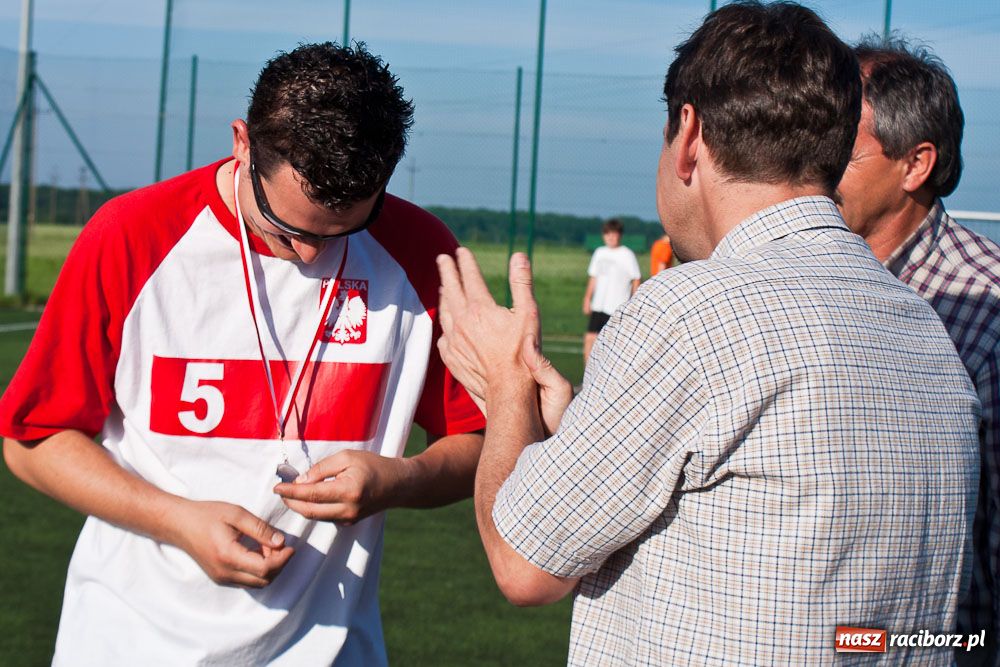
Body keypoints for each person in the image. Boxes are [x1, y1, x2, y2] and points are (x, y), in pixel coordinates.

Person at [435, 3, 980, 664]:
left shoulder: (689, 308)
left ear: (688, 133)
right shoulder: (925, 325)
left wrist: (505, 387)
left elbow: (525, 564)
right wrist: (581, 424)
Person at [0, 42, 485, 666]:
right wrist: (177, 520)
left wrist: (402, 479)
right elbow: (33, 438)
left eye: (346, 230)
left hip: (331, 651)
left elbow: (480, 440)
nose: (311, 255)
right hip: (127, 642)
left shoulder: (421, 253)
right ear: (242, 143)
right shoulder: (133, 236)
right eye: (289, 229)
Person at [836, 36, 1000, 666]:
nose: (812, 163)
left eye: (842, 150)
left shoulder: (984, 306)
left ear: (916, 164)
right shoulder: (804, 282)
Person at [582, 218, 640, 362]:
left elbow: (636, 278)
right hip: (599, 304)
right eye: (608, 234)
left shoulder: (627, 254)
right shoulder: (599, 252)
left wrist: (634, 301)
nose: (611, 237)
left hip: (616, 306)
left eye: (614, 234)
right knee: (590, 338)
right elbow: (593, 277)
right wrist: (587, 298)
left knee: (610, 343)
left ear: (620, 235)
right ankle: (586, 378)